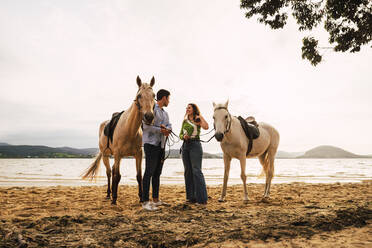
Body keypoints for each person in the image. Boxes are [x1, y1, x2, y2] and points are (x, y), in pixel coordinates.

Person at [142, 89, 172, 211]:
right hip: (151, 144)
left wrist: (168, 129)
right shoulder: (151, 109)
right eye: (169, 98)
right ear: (164, 98)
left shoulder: (165, 113)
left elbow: (169, 125)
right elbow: (145, 126)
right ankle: (145, 201)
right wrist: (161, 130)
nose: (169, 101)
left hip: (161, 145)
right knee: (148, 172)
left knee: (157, 173)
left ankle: (155, 199)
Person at [179, 103, 209, 205]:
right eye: (186, 107)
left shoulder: (198, 118)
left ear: (194, 109)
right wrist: (184, 137)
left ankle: (202, 199)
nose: (187, 109)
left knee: (196, 171)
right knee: (188, 171)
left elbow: (206, 127)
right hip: (185, 146)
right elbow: (180, 134)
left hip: (195, 145)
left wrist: (200, 119)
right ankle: (191, 197)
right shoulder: (185, 120)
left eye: (189, 107)